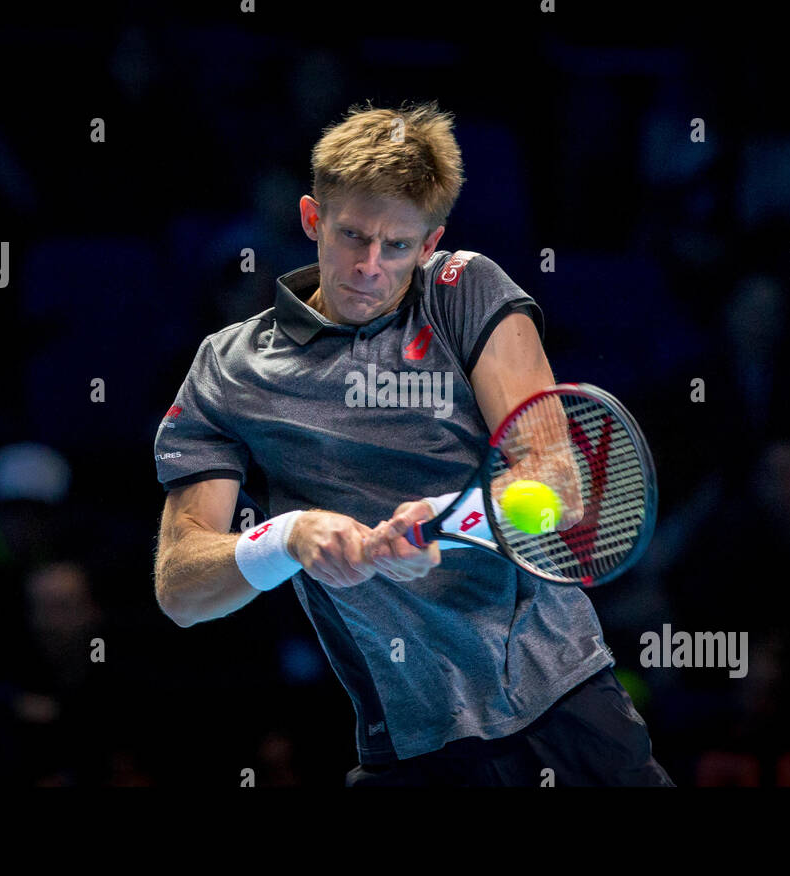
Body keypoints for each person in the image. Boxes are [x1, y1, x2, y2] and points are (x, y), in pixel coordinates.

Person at [152, 101, 672, 787]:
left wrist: (450, 525)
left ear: (429, 244)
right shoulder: (229, 367)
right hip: (409, 746)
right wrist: (290, 537)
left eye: (397, 246)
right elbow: (181, 588)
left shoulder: (466, 291)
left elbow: (560, 489)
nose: (370, 265)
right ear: (312, 219)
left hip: (564, 704)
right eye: (351, 236)